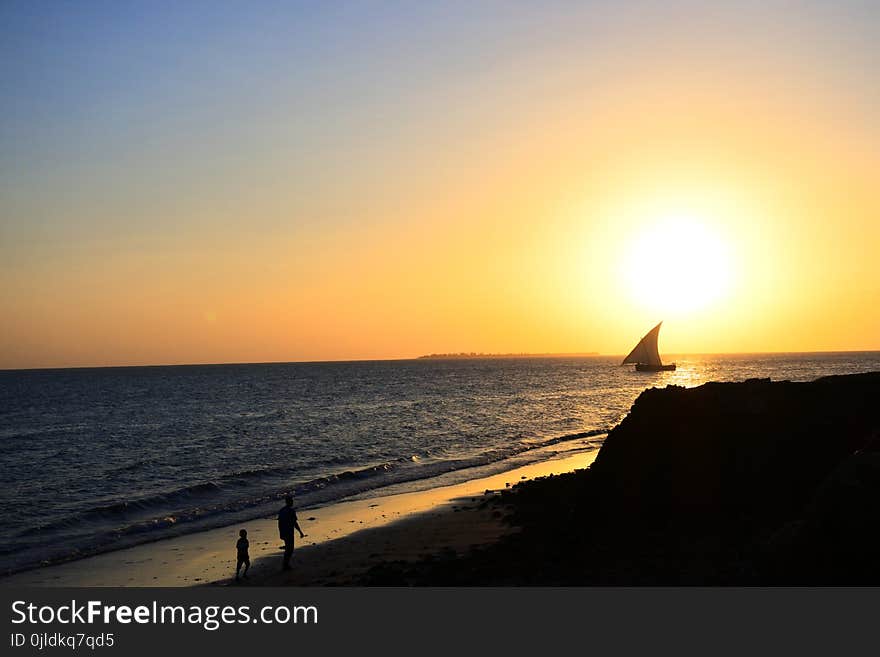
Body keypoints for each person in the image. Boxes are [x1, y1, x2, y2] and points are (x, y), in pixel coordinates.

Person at [278, 494, 305, 571]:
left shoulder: (281, 511)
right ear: (289, 502)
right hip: (289, 532)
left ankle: (285, 564)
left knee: (288, 548)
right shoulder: (291, 511)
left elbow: (279, 523)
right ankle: (285, 565)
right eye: (291, 501)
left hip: (284, 531)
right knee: (290, 549)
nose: (292, 502)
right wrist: (300, 532)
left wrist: (280, 533)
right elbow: (294, 523)